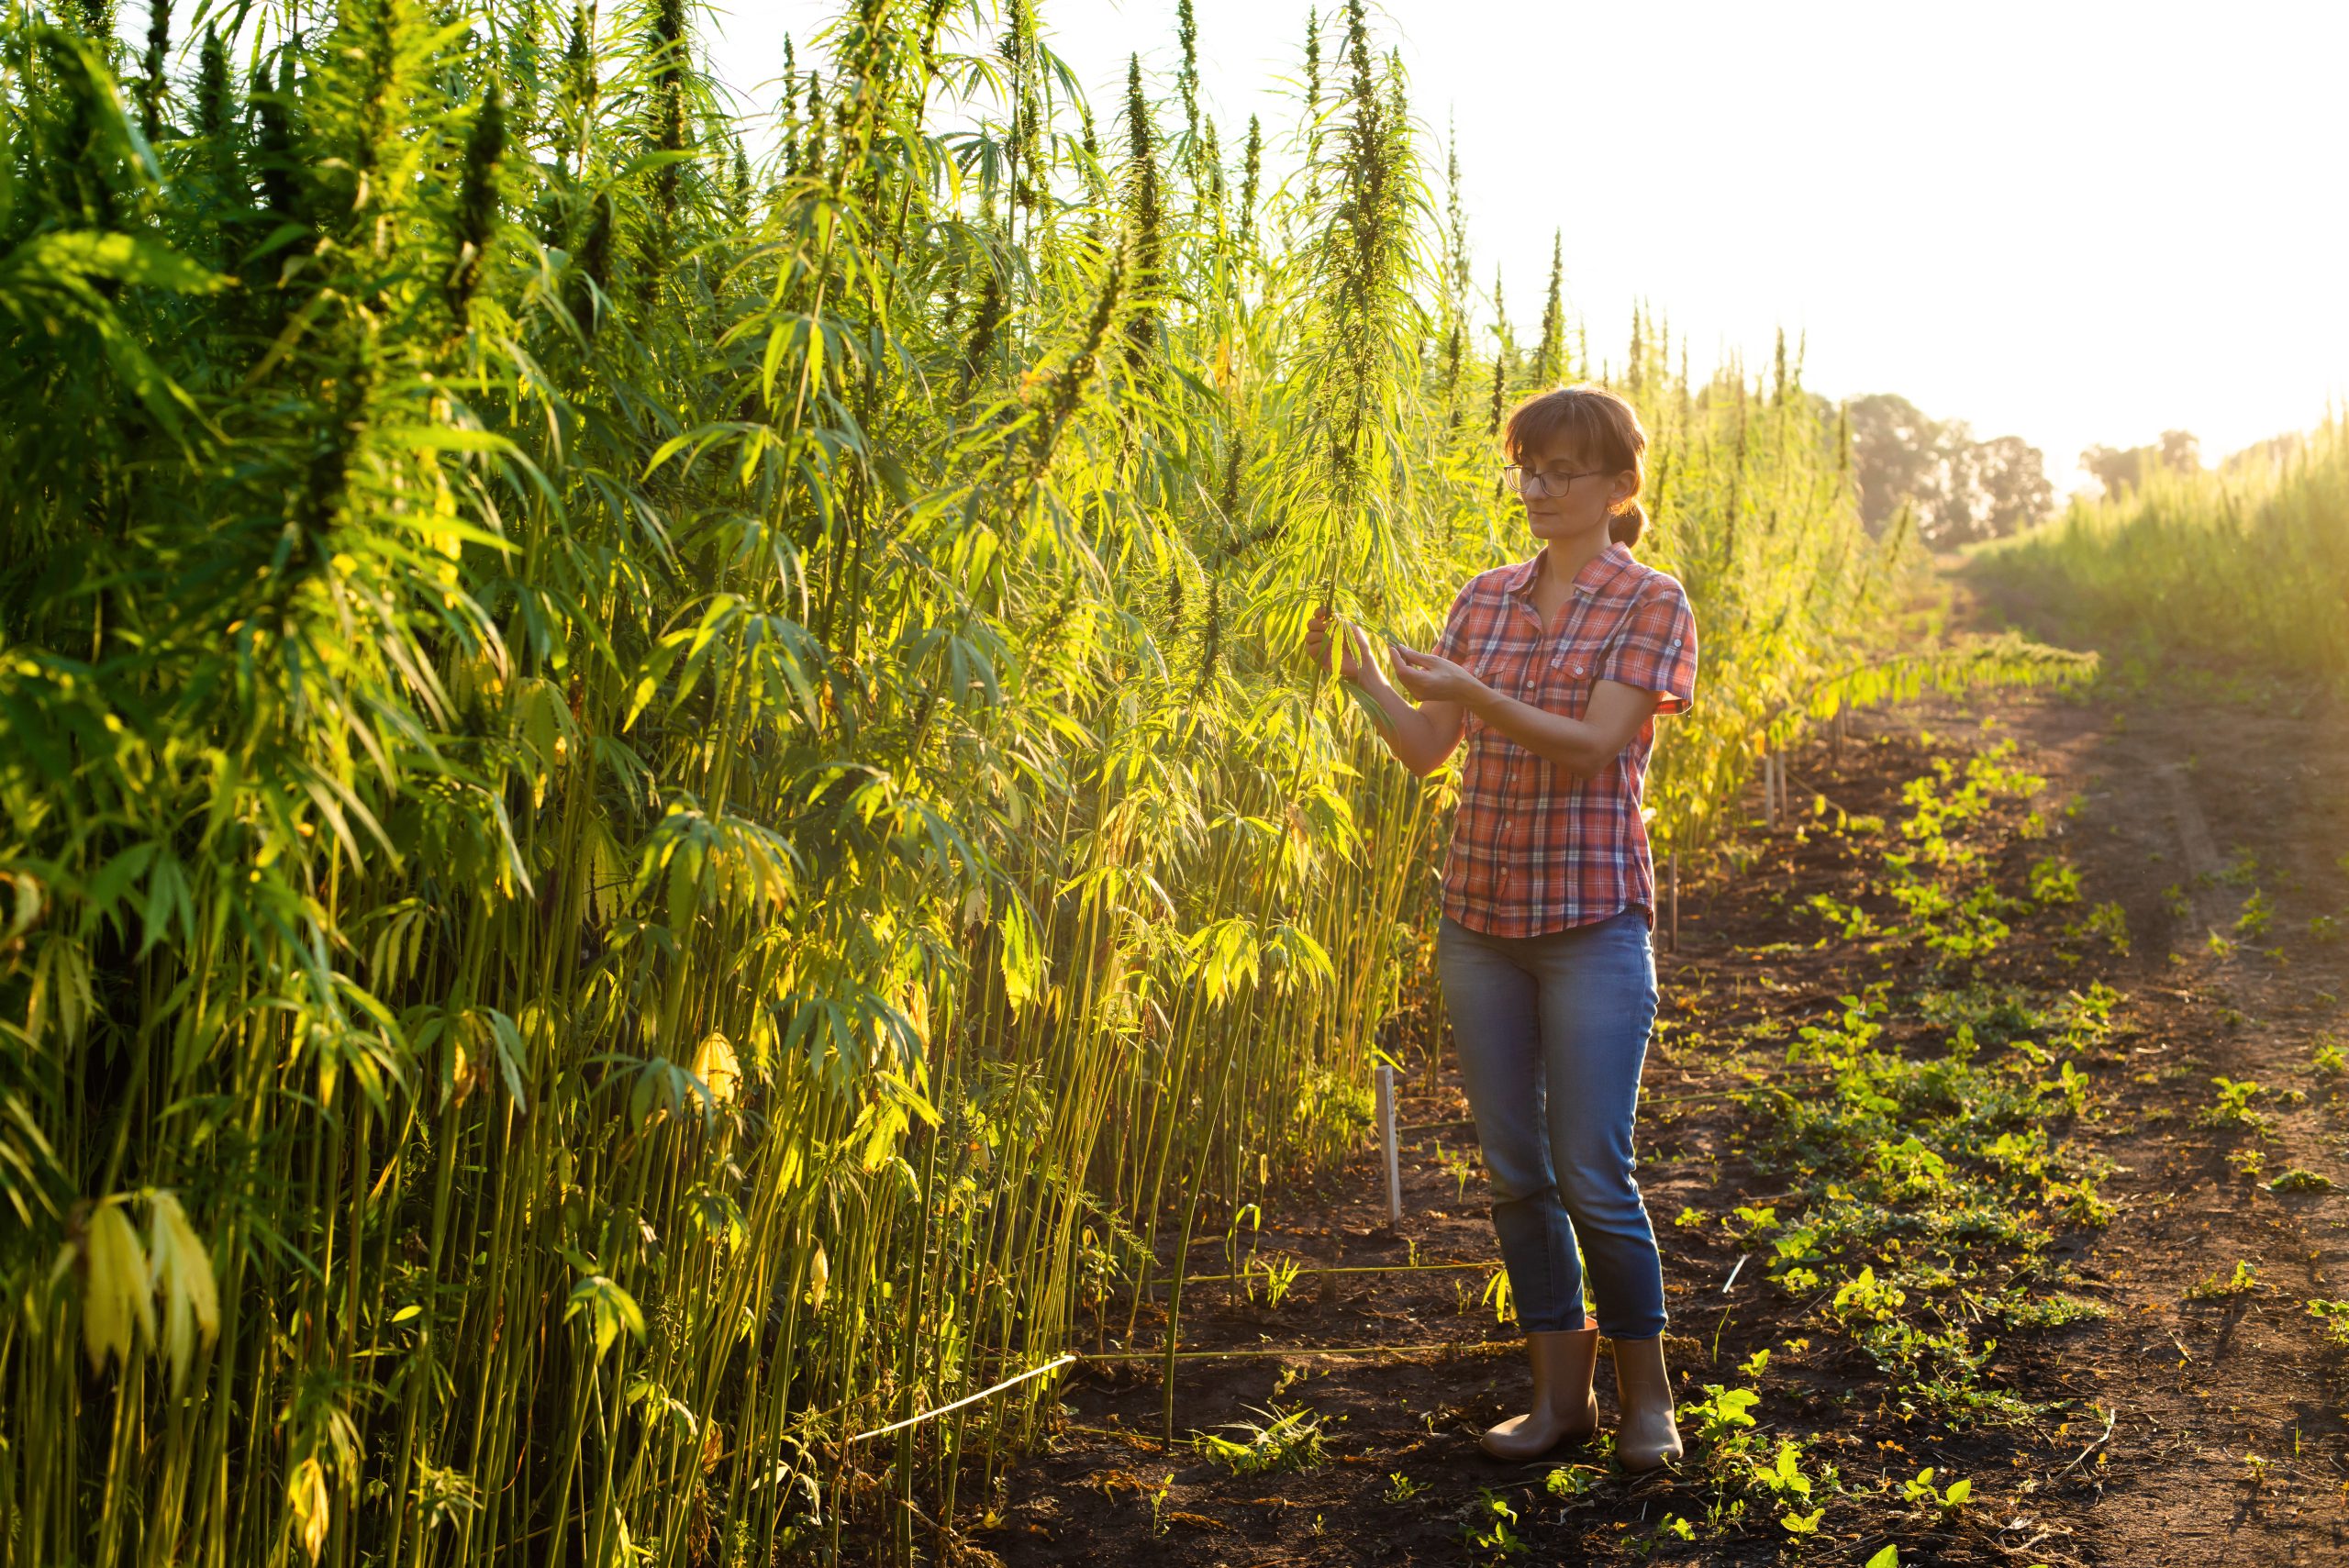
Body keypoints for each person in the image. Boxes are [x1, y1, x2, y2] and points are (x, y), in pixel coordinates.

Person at [1304, 383, 1698, 1470]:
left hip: (1590, 918)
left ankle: (1646, 1396)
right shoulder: (1482, 597)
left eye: (1563, 470)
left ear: (1619, 486)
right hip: (1479, 917)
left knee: (1591, 1168)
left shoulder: (1650, 601)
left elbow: (1593, 744)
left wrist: (1473, 695)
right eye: (1527, 466)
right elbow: (1429, 748)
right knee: (1514, 1170)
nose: (1538, 487)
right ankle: (1554, 1398)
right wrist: (1367, 681)